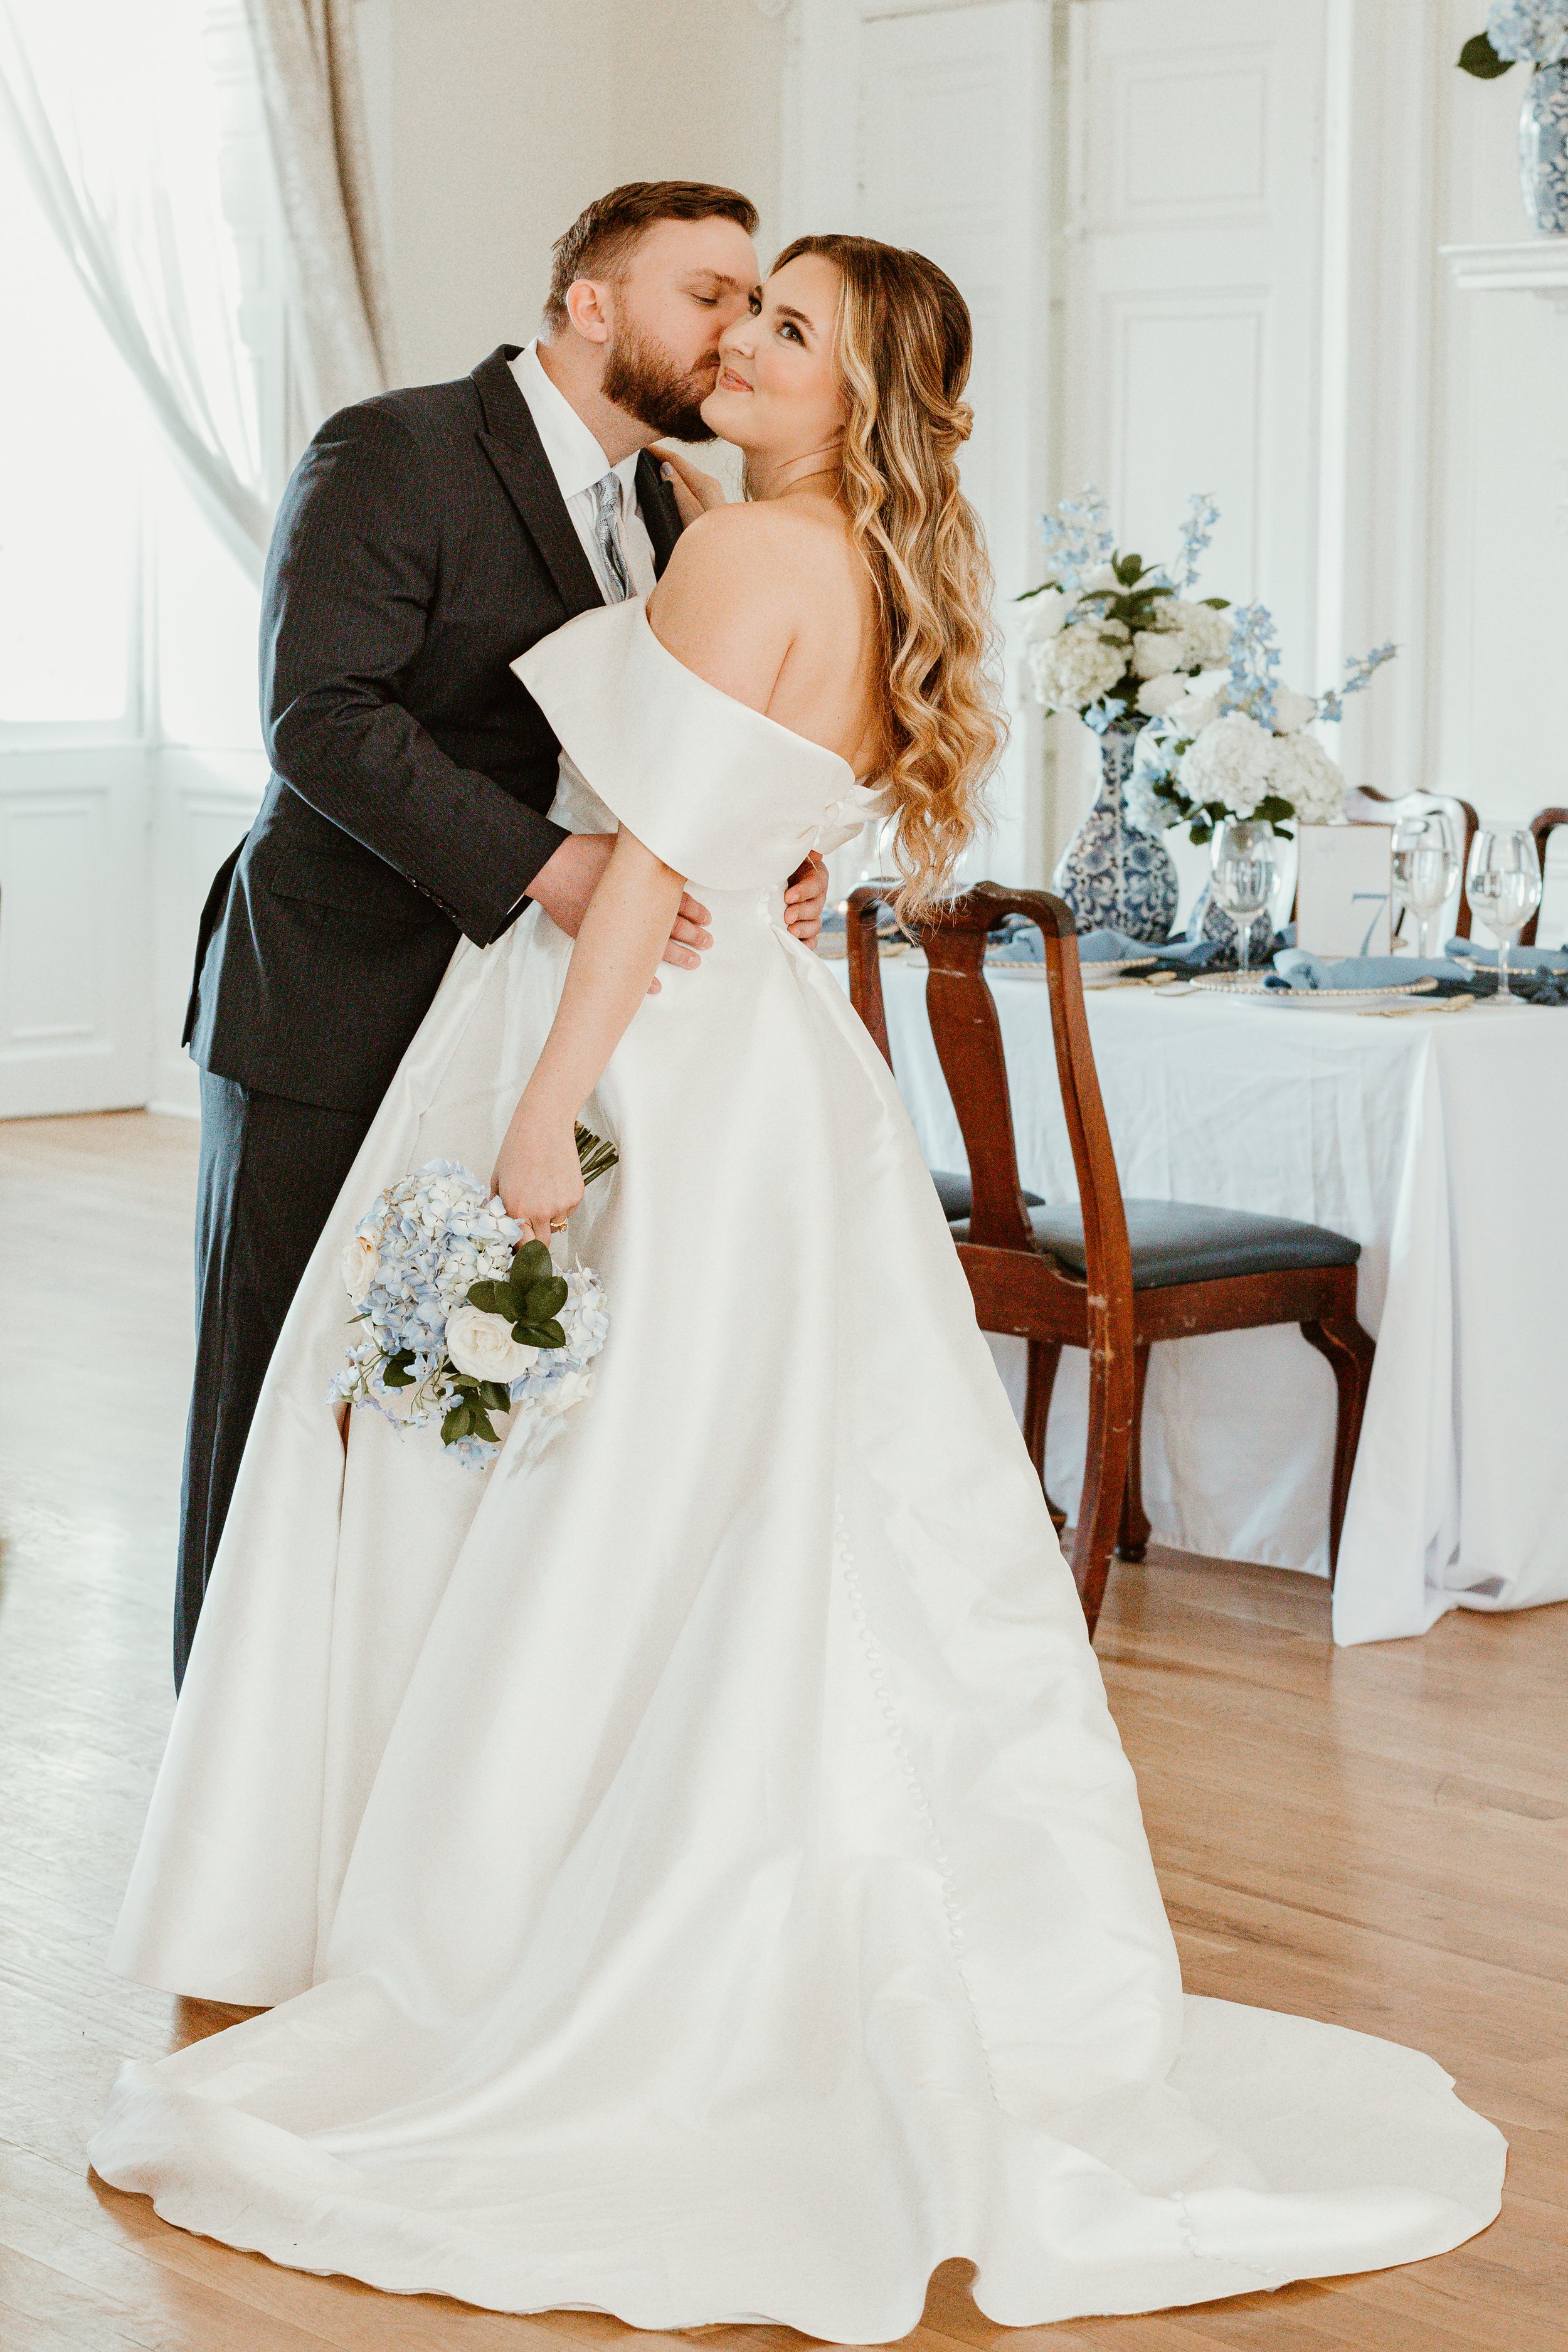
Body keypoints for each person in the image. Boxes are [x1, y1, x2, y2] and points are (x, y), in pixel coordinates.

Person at [92, 236, 1503, 2338]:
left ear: (858, 394)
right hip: (773, 1078)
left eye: (788, 327)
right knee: (720, 1495)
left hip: (642, 1040)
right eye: (737, 309)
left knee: (566, 1482)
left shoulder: (747, 552)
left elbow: (651, 864)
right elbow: (750, 831)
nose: (738, 345)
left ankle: (497, 1914)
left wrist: (549, 1111)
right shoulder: (829, 556)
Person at [174, 179, 829, 1686]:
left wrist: (757, 870)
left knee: (452, 1409)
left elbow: (667, 759)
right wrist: (551, 869)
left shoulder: (676, 504)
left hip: (528, 1031)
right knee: (280, 1405)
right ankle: (224, 1778)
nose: (734, 329)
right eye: (706, 293)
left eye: (752, 301)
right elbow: (317, 722)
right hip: (334, 1004)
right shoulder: (396, 449)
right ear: (591, 304)